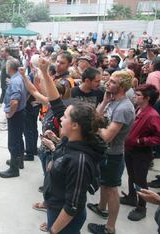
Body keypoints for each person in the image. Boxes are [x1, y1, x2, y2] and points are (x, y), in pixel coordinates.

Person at [36, 58, 106, 234]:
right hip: (55, 207)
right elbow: (56, 102)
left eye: (65, 117)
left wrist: (54, 230)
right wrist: (44, 72)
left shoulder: (79, 161)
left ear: (75, 125)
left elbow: (73, 206)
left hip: (64, 218)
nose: (60, 118)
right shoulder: (71, 141)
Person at [88, 70, 135, 234]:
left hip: (113, 155)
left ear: (122, 87)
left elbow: (107, 136)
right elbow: (96, 116)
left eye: (113, 82)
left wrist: (97, 127)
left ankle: (110, 227)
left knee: (112, 189)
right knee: (105, 183)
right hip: (105, 152)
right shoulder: (112, 100)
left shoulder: (123, 108)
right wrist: (105, 101)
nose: (108, 83)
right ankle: (101, 207)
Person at [120, 84, 160, 221]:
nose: (134, 96)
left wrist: (141, 141)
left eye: (138, 95)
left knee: (140, 179)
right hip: (130, 150)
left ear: (147, 98)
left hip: (141, 153)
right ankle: (132, 197)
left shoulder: (152, 115)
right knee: (132, 175)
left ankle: (141, 207)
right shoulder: (138, 109)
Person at [0, 58, 28, 178]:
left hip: (16, 114)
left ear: (10, 68)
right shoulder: (19, 77)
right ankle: (19, 161)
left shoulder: (16, 80)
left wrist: (10, 114)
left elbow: (14, 102)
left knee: (13, 142)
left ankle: (14, 169)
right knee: (18, 139)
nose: (5, 68)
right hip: (21, 112)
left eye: (6, 66)